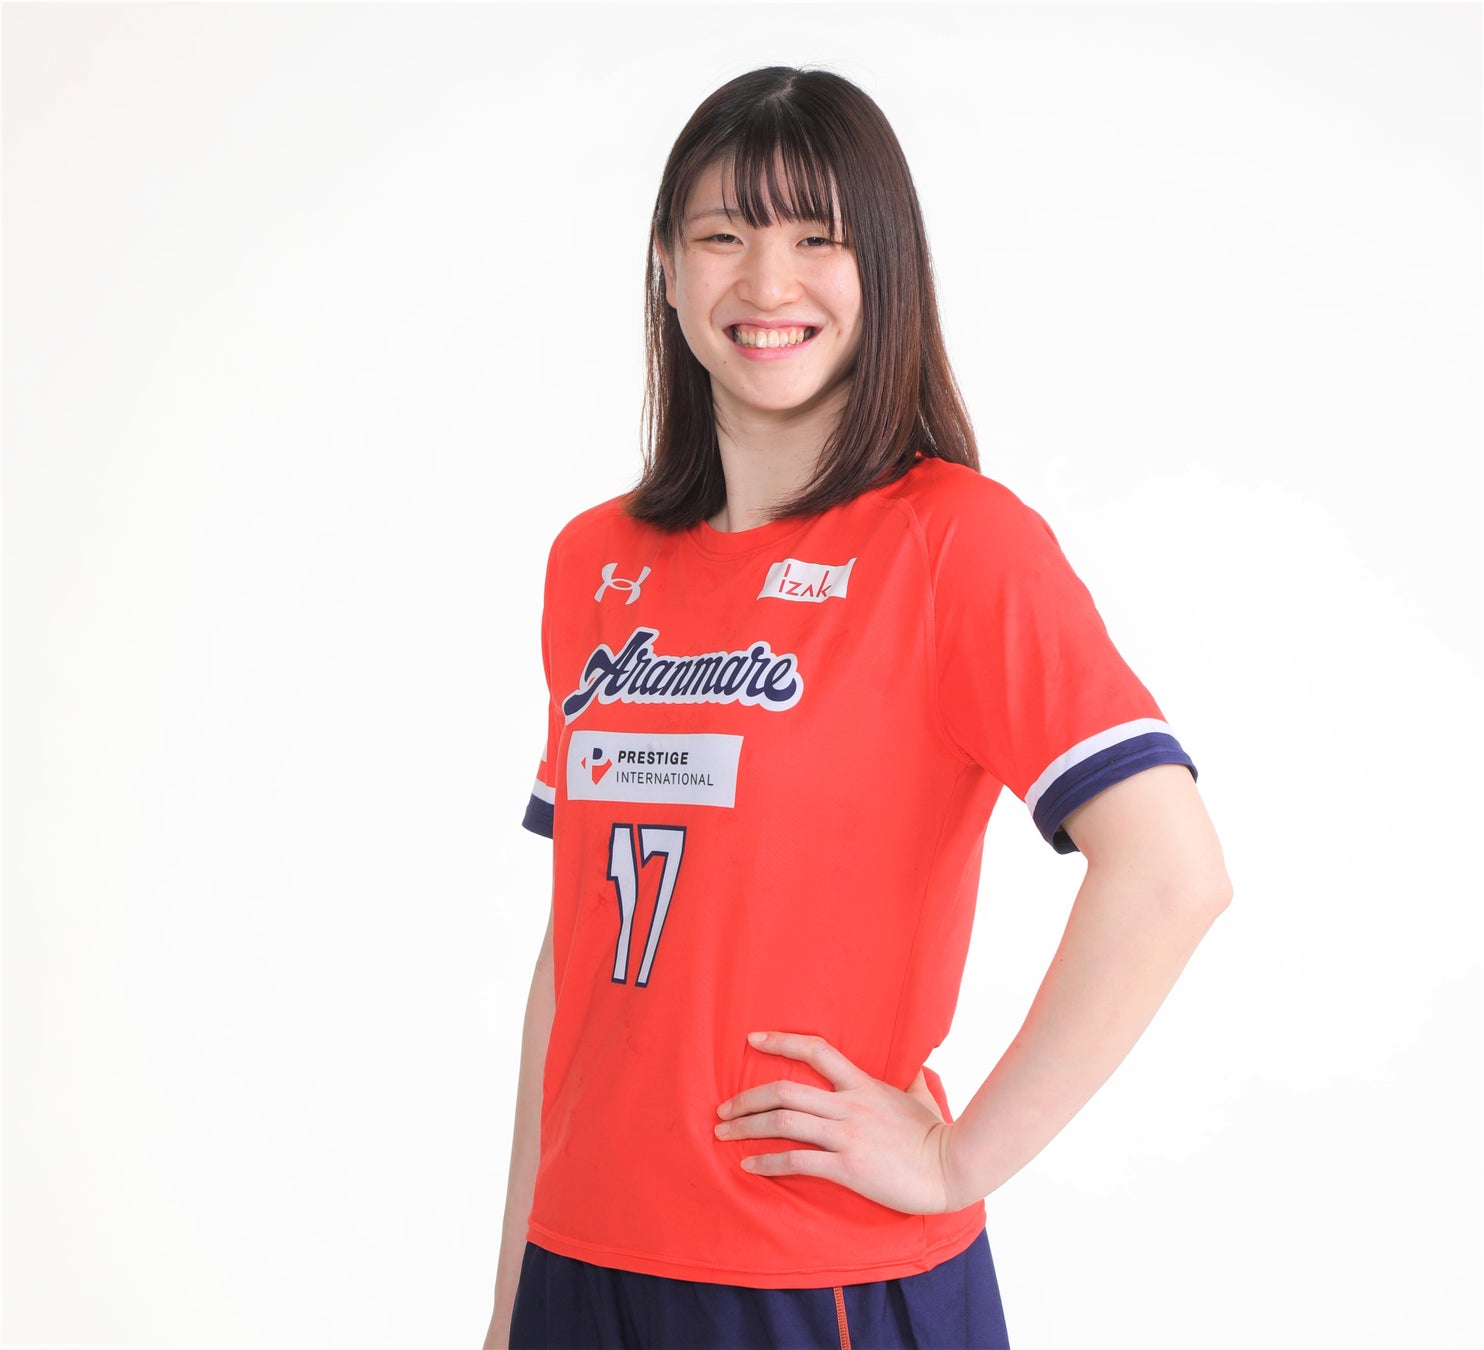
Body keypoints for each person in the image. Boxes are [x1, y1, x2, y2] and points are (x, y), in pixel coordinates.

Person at [482, 66, 1231, 1350]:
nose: (766, 283)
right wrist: (512, 1296)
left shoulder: (955, 546)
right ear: (665, 268)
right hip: (581, 1264)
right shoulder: (592, 562)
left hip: (815, 1278)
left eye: (816, 238)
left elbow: (1170, 873)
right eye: (723, 235)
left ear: (885, 270)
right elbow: (577, 952)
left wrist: (955, 1159)